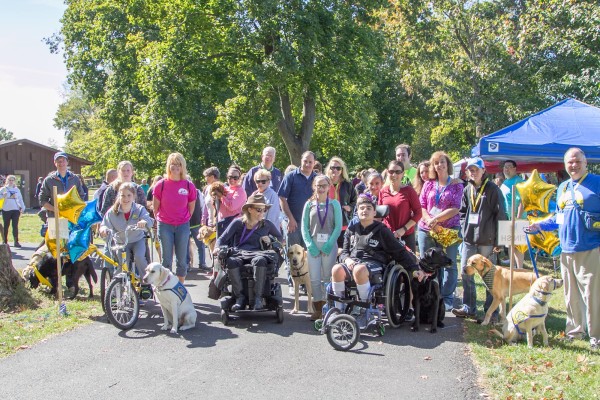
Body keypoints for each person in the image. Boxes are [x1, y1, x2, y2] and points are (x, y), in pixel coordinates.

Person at [530, 148, 600, 351]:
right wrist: (539, 225)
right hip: (566, 248)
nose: (574, 165)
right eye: (570, 162)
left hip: (591, 247)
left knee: (592, 294)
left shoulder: (596, 182)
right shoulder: (562, 187)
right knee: (571, 295)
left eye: (577, 161)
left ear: (586, 163)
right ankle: (574, 331)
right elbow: (558, 218)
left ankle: (596, 336)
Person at [331, 194, 421, 315]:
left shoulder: (382, 230)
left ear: (374, 212)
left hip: (375, 264)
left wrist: (414, 269)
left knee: (359, 270)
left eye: (369, 208)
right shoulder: (351, 229)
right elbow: (344, 252)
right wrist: (347, 260)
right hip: (353, 262)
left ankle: (365, 310)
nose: (365, 210)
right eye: (362, 208)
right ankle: (339, 310)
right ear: (357, 211)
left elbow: (399, 251)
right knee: (336, 269)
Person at [452, 157, 507, 320]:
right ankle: (469, 307)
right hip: (469, 239)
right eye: (470, 169)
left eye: (476, 169)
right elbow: (462, 212)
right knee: (466, 272)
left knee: (490, 276)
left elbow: (501, 214)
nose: (472, 172)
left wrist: (499, 242)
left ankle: (492, 311)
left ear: (484, 171)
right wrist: (464, 227)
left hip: (488, 240)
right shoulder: (466, 189)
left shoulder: (492, 189)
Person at [215, 193, 283, 311]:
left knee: (260, 261)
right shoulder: (238, 223)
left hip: (259, 254)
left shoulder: (266, 224)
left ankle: (258, 298)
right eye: (259, 210)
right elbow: (222, 238)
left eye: (264, 210)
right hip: (240, 253)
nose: (262, 212)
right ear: (250, 209)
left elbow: (280, 238)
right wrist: (217, 248)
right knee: (231, 261)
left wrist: (271, 240)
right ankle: (239, 298)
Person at [417, 151, 463, 311]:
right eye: (436, 163)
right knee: (427, 263)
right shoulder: (429, 184)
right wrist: (430, 221)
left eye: (442, 162)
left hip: (448, 229)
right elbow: (421, 205)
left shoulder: (456, 184)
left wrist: (436, 220)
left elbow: (455, 208)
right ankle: (429, 296)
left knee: (448, 263)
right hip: (427, 228)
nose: (439, 165)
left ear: (447, 164)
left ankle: (447, 297)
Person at [301, 175, 343, 320]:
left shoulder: (334, 204)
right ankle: (317, 308)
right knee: (314, 278)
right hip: (313, 244)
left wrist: (329, 244)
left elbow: (338, 227)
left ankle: (327, 307)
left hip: (329, 245)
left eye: (324, 185)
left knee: (327, 277)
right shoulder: (309, 205)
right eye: (318, 185)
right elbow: (304, 227)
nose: (321, 188)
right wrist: (309, 245)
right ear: (314, 186)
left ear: (329, 186)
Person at [153, 153, 197, 283]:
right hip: (165, 225)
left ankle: (180, 287)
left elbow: (191, 207)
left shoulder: (189, 185)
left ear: (182, 167)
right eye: (173, 164)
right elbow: (156, 207)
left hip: (182, 225)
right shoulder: (161, 185)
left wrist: (184, 218)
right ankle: (165, 286)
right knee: (166, 259)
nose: (176, 167)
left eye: (179, 164)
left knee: (182, 259)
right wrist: (160, 220)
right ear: (168, 166)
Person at [99, 182, 153, 280]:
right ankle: (118, 286)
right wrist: (104, 229)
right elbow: (104, 224)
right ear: (119, 196)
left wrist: (143, 222)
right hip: (121, 242)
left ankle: (146, 282)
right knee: (123, 263)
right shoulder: (112, 212)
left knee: (139, 257)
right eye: (123, 195)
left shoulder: (139, 209)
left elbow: (148, 220)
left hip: (137, 240)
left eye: (129, 195)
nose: (126, 198)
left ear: (134, 197)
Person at [378, 160, 422, 252]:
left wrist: (404, 229)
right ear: (387, 172)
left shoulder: (409, 191)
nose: (394, 175)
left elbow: (418, 213)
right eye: (391, 172)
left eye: (398, 172)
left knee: (409, 265)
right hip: (388, 236)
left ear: (403, 173)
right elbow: (379, 215)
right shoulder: (383, 191)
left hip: (406, 236)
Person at [279, 151, 317, 248]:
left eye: (310, 162)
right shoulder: (290, 176)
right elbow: (282, 198)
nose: (307, 164)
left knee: (308, 256)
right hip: (293, 223)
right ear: (301, 161)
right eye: (305, 161)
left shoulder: (317, 179)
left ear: (314, 163)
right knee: (294, 256)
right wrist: (290, 219)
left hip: (311, 224)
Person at [40, 152, 85, 219]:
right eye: (59, 161)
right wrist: (55, 209)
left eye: (63, 161)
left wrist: (73, 207)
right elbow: (42, 200)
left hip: (71, 216)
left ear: (67, 162)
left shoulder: (75, 179)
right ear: (55, 163)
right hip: (54, 217)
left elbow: (81, 196)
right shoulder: (49, 180)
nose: (61, 163)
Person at [325, 156, 357, 246]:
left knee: (342, 250)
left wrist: (350, 207)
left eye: (338, 168)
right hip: (326, 223)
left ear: (342, 170)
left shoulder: (347, 184)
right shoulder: (324, 183)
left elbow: (355, 201)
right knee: (327, 251)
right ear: (329, 169)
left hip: (343, 223)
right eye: (333, 168)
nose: (335, 170)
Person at [500, 159, 525, 268]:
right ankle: (512, 267)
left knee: (518, 245)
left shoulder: (519, 182)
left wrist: (518, 219)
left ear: (515, 169)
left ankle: (519, 268)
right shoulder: (505, 182)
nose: (506, 169)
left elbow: (522, 201)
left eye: (509, 167)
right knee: (509, 244)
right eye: (505, 167)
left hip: (517, 218)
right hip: (506, 218)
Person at [213, 165, 247, 234]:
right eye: (230, 177)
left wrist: (221, 196)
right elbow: (216, 207)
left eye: (235, 178)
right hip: (222, 224)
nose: (232, 180)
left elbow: (231, 207)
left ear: (239, 178)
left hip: (234, 227)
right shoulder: (225, 189)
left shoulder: (240, 191)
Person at [188, 176, 209, 272]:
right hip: (185, 223)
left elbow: (202, 205)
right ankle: (187, 264)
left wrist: (202, 219)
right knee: (184, 246)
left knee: (200, 244)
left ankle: (202, 263)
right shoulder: (180, 192)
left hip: (196, 222)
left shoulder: (197, 192)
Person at [0, 175, 25, 247]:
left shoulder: (17, 190)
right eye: (9, 180)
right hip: (6, 209)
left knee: (15, 226)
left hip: (15, 209)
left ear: (14, 181)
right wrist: (3, 196)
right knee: (6, 225)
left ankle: (16, 241)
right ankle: (5, 241)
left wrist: (23, 208)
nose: (11, 182)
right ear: (7, 181)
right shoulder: (3, 189)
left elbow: (20, 199)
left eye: (12, 180)